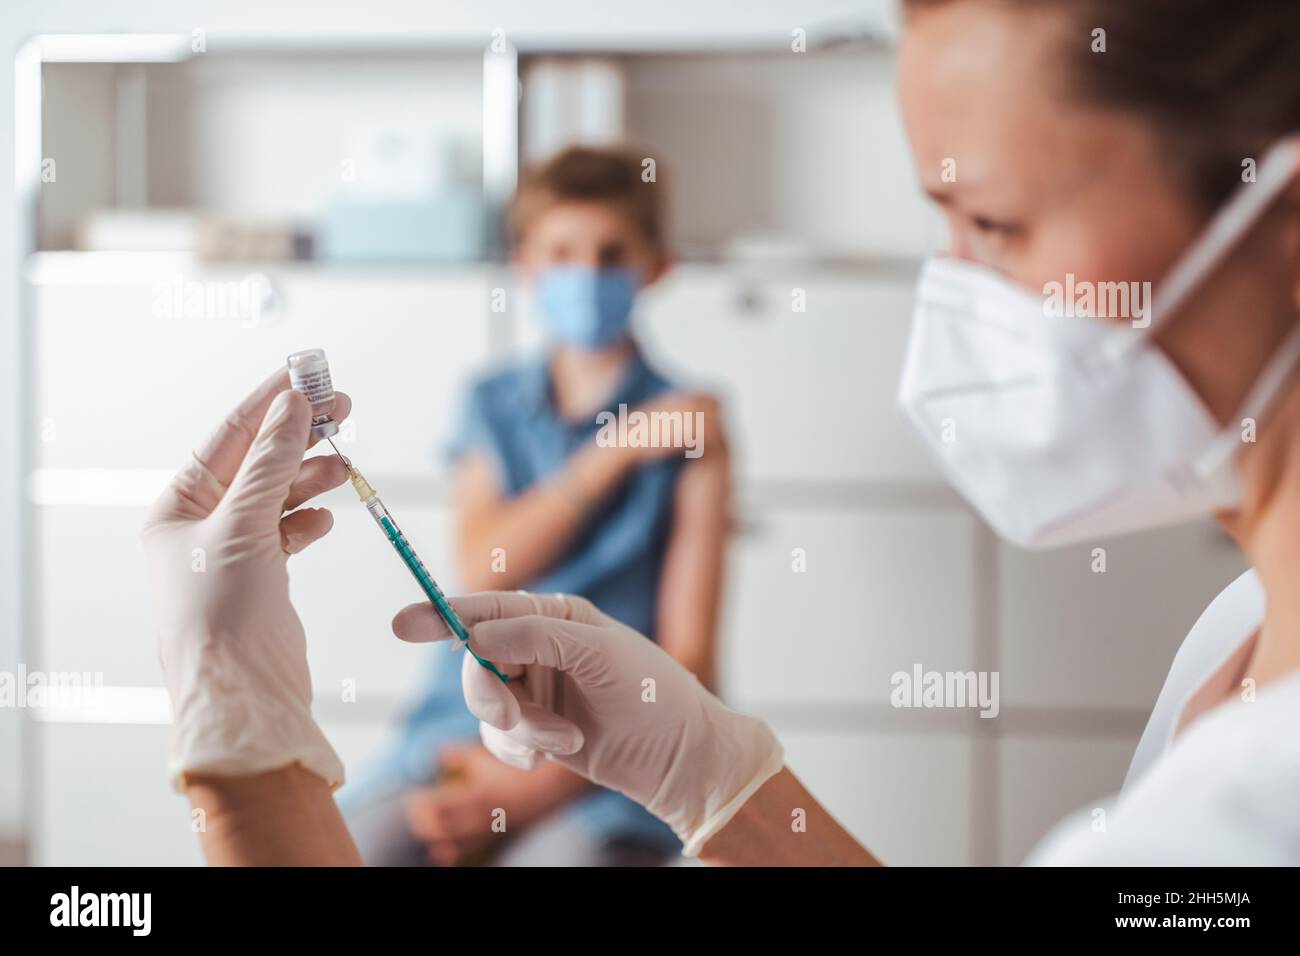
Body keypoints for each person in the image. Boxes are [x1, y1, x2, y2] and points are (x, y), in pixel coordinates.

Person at [145, 0, 1300, 865]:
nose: (956, 296)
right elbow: (483, 566)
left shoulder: (1253, 807)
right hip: (470, 746)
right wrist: (712, 772)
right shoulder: (1236, 627)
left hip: (572, 800)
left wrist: (247, 777)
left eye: (994, 221)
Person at [339, 146, 729, 866]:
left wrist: (527, 793)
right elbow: (483, 570)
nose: (585, 274)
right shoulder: (491, 403)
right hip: (453, 742)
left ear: (657, 265)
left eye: (612, 253)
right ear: (525, 263)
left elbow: (690, 659)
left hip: (612, 770)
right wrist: (614, 452)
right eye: (561, 252)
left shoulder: (695, 429)